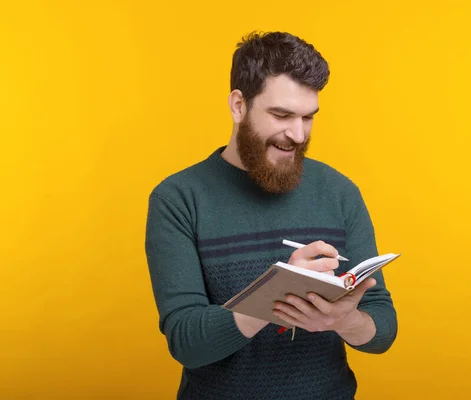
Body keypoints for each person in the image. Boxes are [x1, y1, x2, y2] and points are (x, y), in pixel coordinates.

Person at [144, 31, 397, 400]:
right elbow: (186, 341)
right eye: (281, 115)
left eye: (308, 117)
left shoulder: (339, 192)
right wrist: (278, 291)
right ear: (238, 105)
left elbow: (383, 329)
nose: (297, 134)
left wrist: (345, 320)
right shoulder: (178, 199)